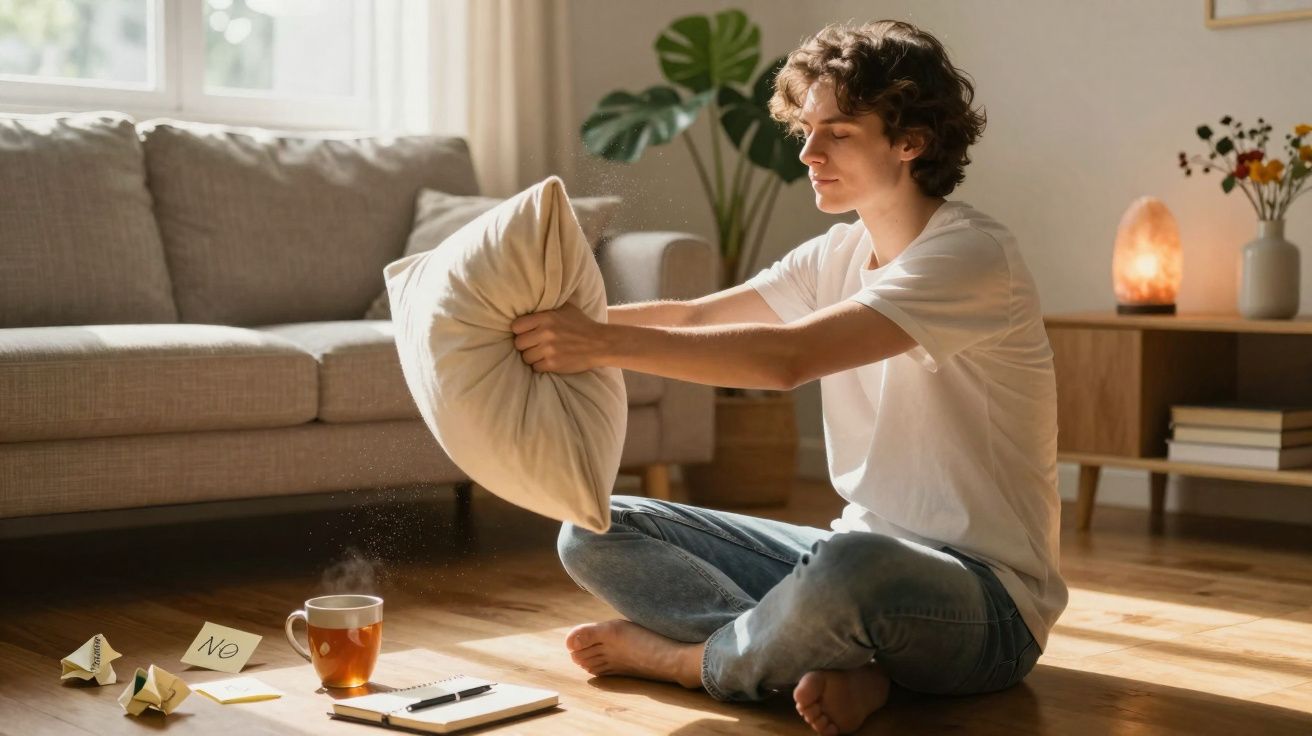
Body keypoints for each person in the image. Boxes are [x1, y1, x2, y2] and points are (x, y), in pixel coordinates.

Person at [508, 19, 1066, 736]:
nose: (809, 151)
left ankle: (692, 662)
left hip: (987, 607)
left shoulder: (972, 257)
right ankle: (842, 666)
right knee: (591, 528)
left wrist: (596, 343)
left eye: (837, 131)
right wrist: (549, 324)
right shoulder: (836, 253)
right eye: (806, 128)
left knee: (853, 569)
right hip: (845, 561)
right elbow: (693, 318)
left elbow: (787, 358)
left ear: (910, 141)